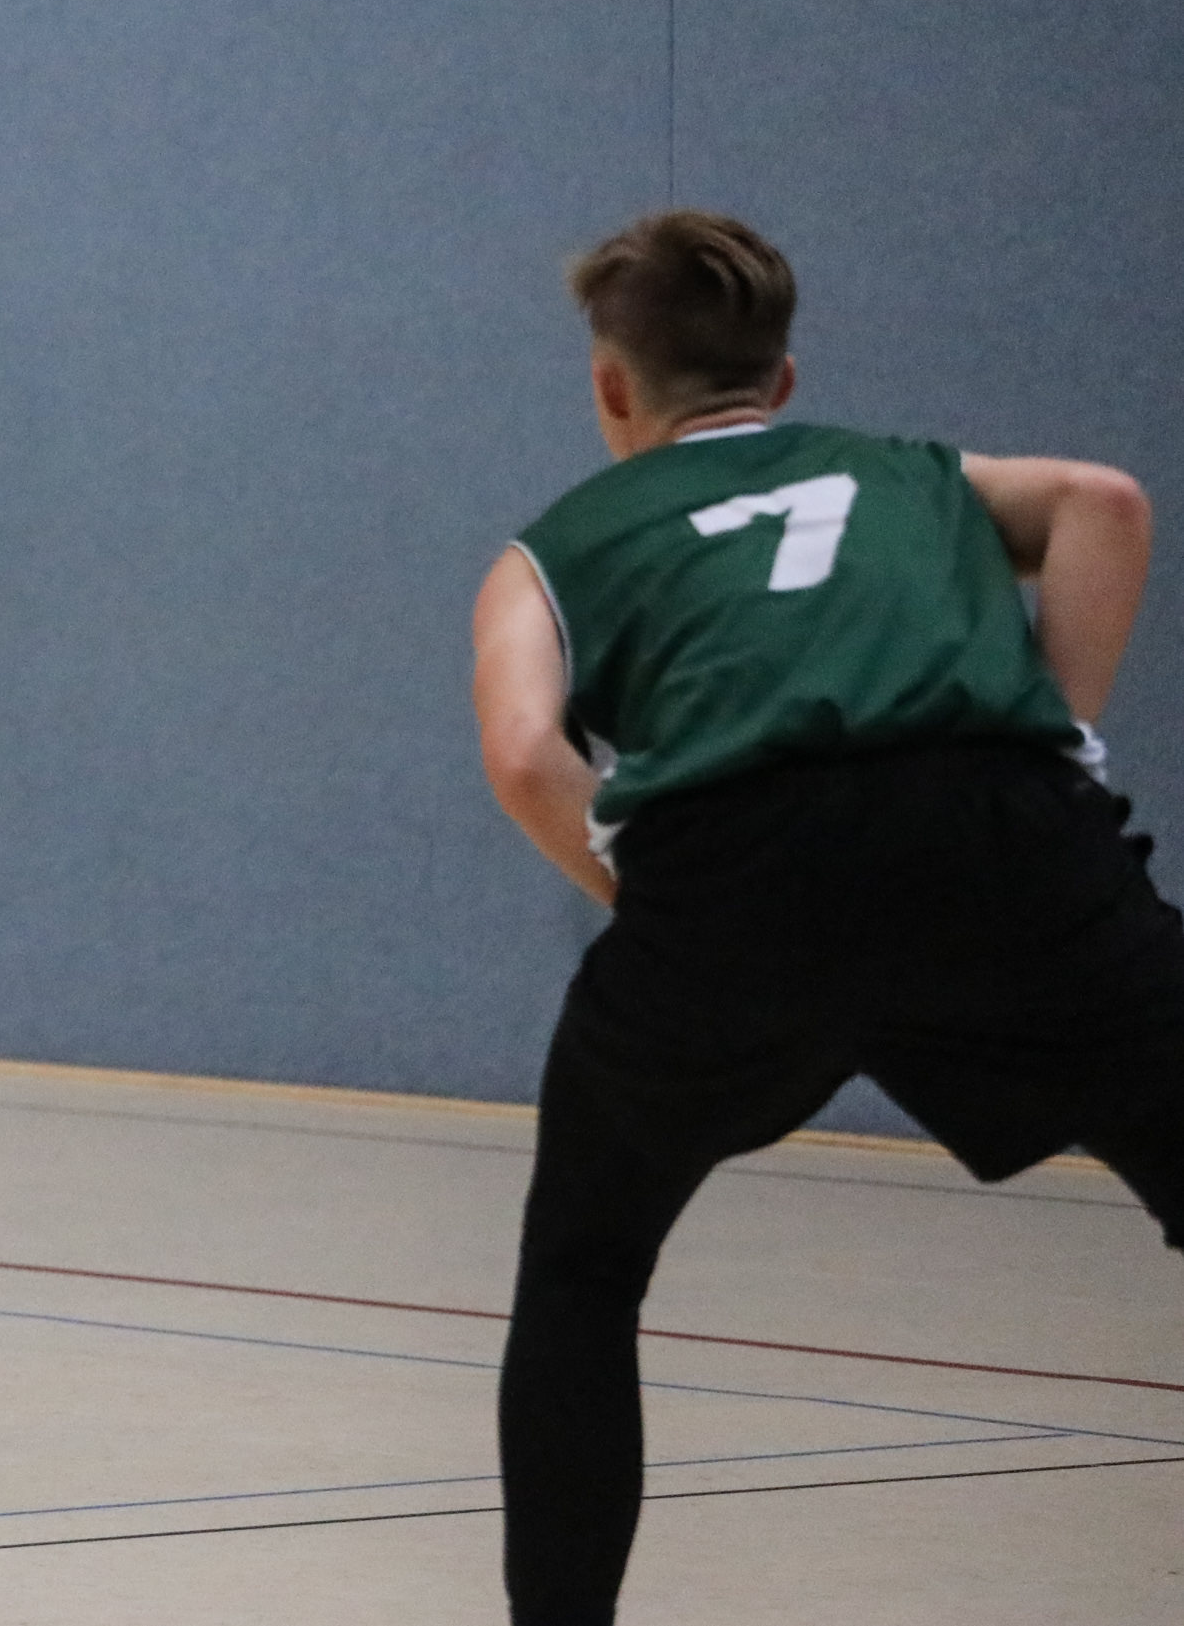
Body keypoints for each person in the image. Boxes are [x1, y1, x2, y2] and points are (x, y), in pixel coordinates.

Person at [470, 208, 1184, 1623]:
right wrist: (1054, 743)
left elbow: (524, 753)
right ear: (781, 379)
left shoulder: (549, 551)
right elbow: (1102, 502)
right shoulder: (908, 474)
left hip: (729, 875)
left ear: (610, 385)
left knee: (582, 1273)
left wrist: (646, 896)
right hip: (1004, 845)